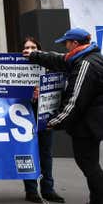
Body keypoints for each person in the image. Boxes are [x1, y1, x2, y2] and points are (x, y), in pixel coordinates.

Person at [24, 28, 103, 204]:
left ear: (75, 43)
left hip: (88, 126)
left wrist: (56, 121)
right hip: (88, 124)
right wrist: (35, 55)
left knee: (89, 165)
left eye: (66, 43)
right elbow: (58, 59)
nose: (65, 46)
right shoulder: (81, 58)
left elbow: (76, 101)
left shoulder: (85, 65)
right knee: (89, 164)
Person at [20, 37, 65, 203]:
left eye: (33, 47)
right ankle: (31, 190)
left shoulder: (49, 67)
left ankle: (48, 189)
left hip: (45, 116)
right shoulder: (16, 70)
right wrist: (29, 95)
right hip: (24, 118)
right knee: (28, 153)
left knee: (46, 153)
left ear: (39, 49)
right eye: (27, 47)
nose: (30, 50)